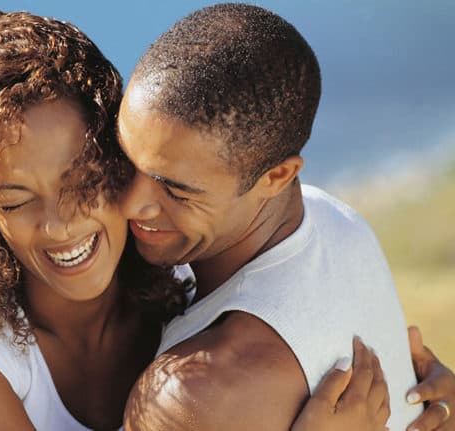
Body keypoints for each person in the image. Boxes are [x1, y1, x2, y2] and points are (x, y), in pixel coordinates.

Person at [0, 9, 398, 431]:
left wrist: (421, 387)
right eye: (16, 200)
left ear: (115, 157)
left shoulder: (173, 261)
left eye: (81, 180)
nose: (60, 225)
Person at [116, 3, 455, 431]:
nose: (130, 203)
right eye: (125, 159)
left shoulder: (197, 393)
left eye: (175, 190)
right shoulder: (340, 222)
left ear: (277, 175)